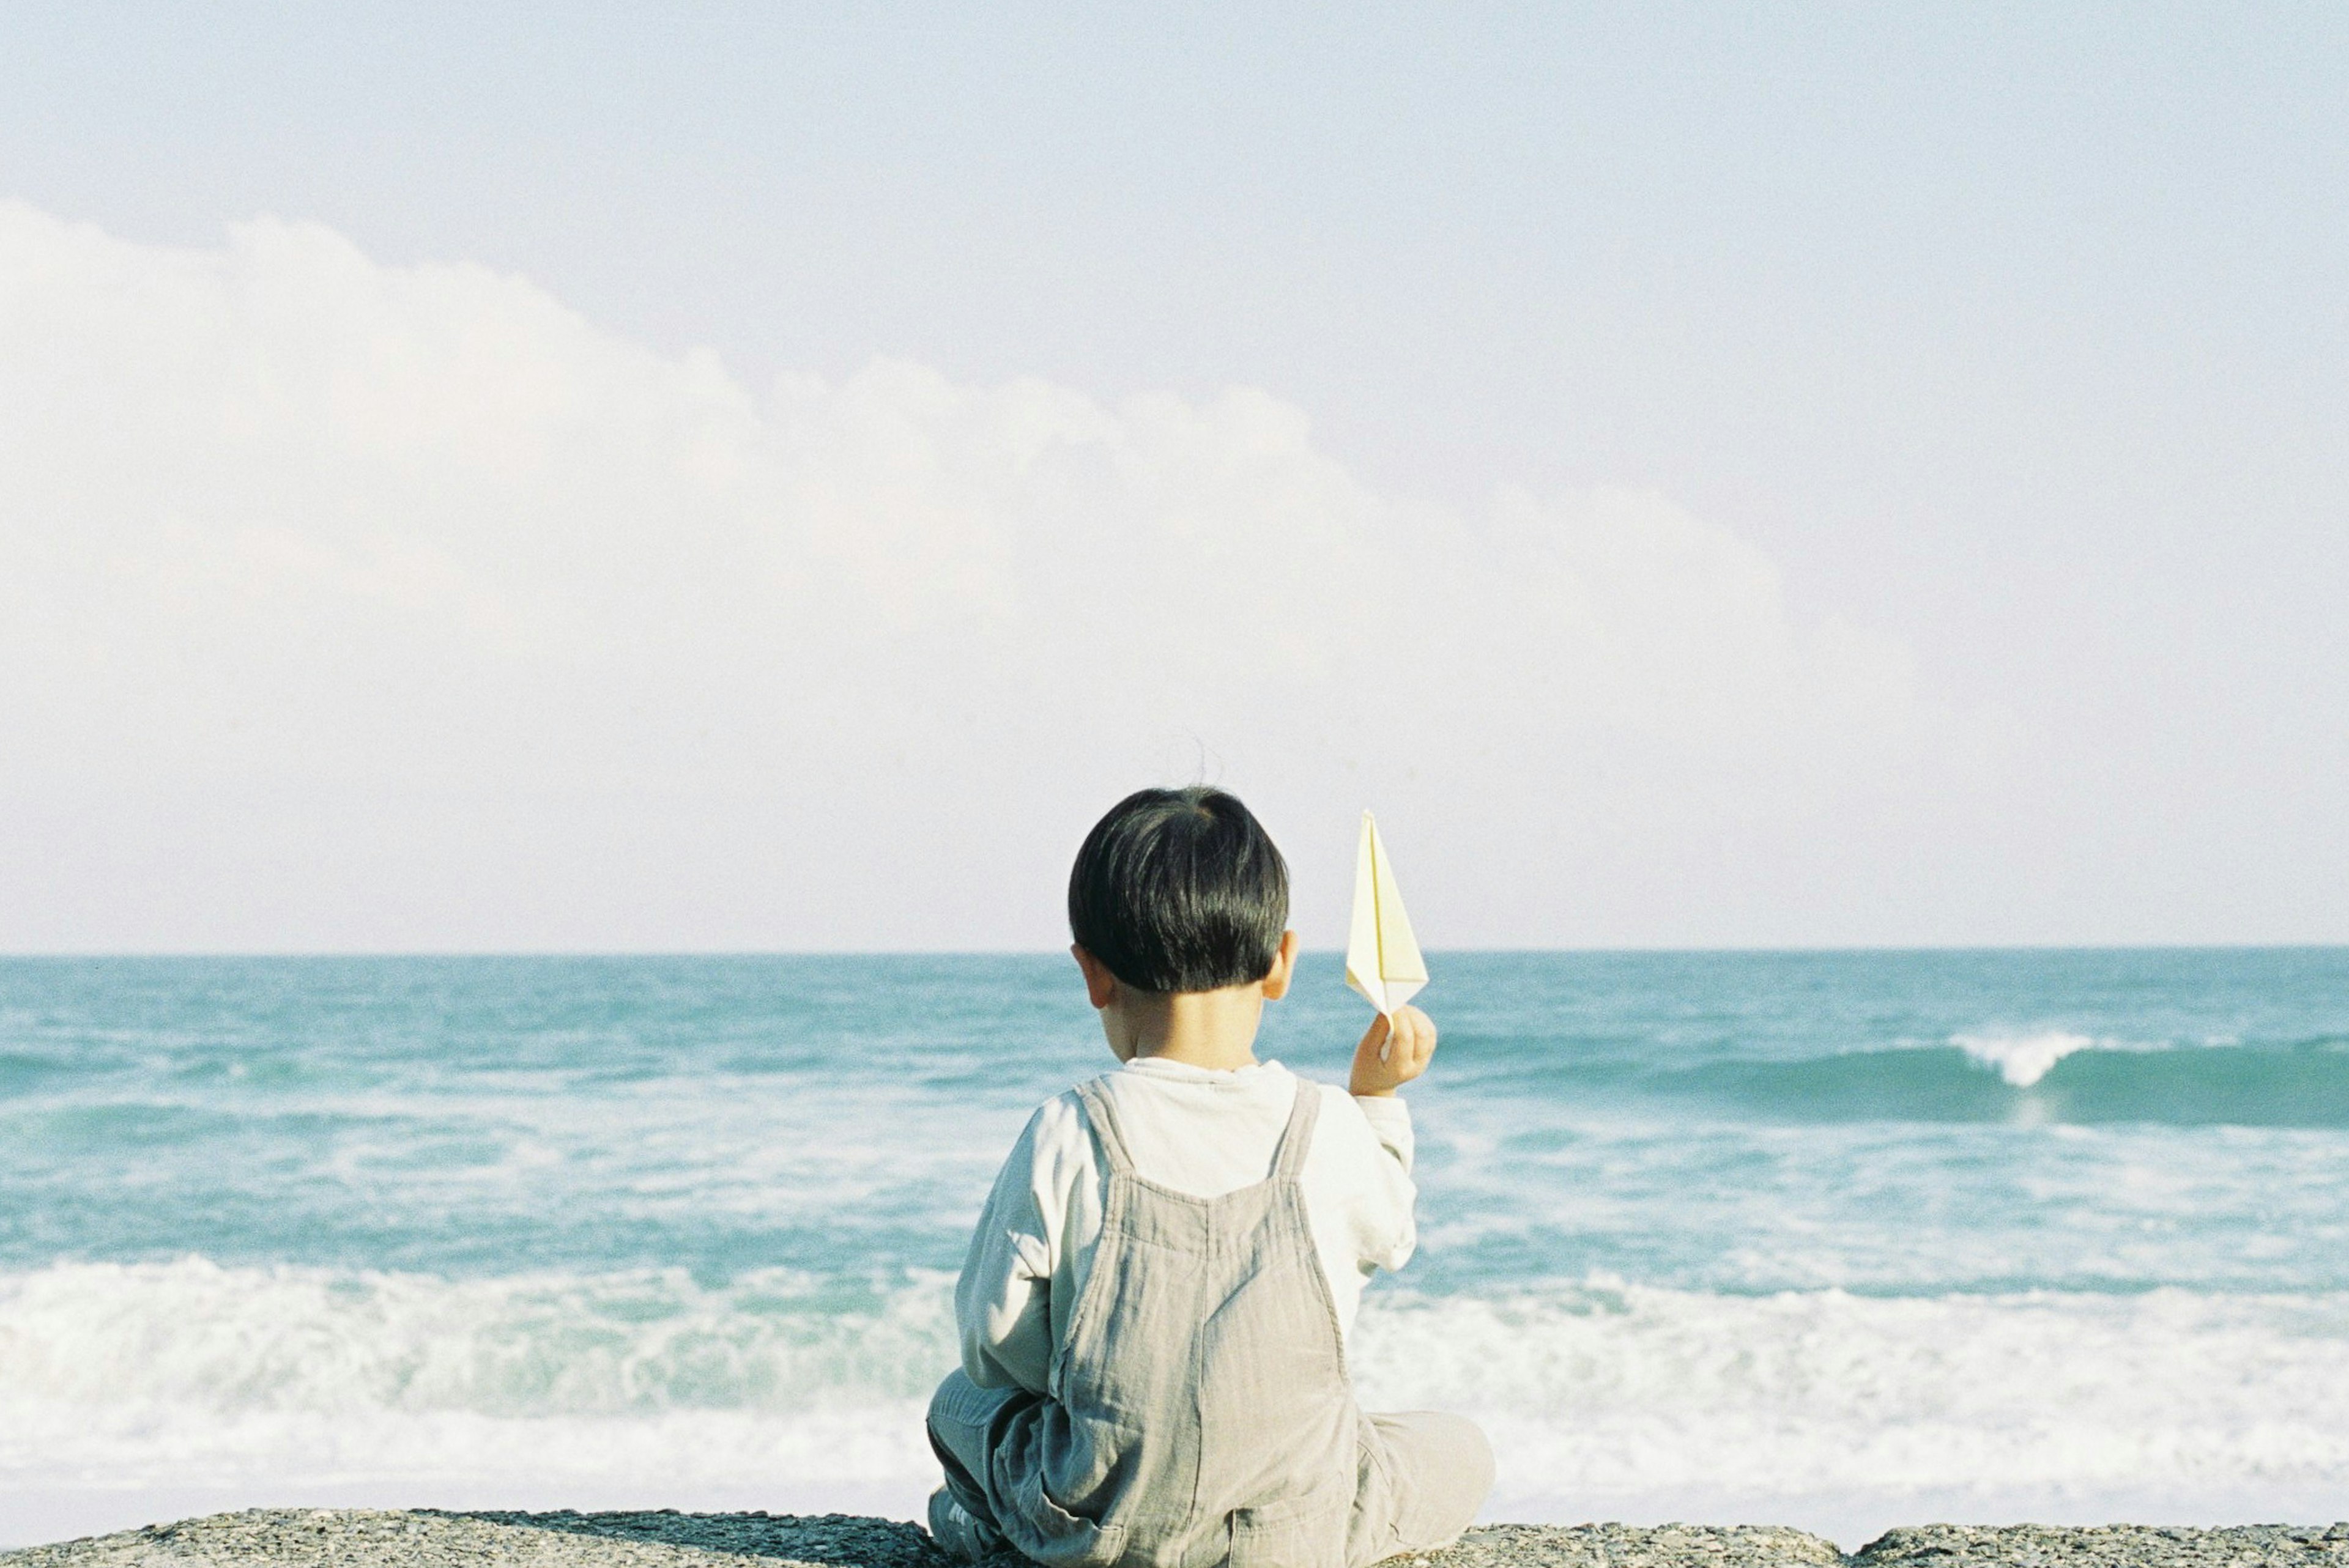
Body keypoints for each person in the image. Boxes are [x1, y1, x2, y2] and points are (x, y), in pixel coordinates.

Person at [926, 786, 1494, 1568]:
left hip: (1100, 1524)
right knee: (1461, 1447)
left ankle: (997, 1535)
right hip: (1295, 1531)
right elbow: (1392, 1233)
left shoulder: (1071, 1128)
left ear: (1092, 974)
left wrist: (1076, 1381)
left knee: (958, 1401)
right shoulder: (1326, 1123)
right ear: (1281, 963)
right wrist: (1377, 1098)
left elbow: (993, 1341)